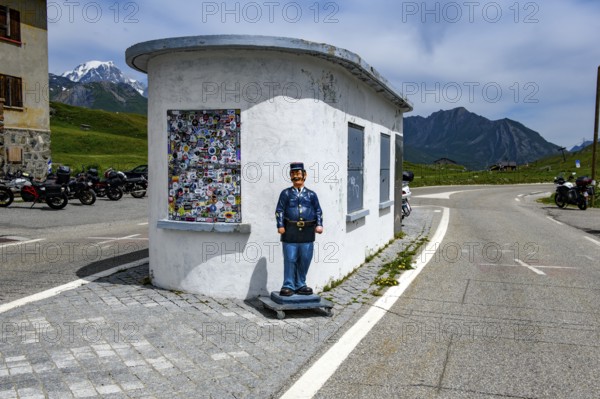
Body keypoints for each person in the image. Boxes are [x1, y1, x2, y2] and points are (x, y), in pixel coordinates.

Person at [275, 162, 323, 296]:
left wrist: (319, 224)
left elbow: (318, 211)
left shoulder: (311, 195)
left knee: (305, 258)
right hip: (290, 230)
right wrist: (280, 225)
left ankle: (301, 284)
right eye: (293, 174)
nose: (296, 176)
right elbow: (279, 210)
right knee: (290, 258)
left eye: (298, 174)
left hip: (308, 231)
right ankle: (288, 285)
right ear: (290, 176)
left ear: (304, 175)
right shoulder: (285, 193)